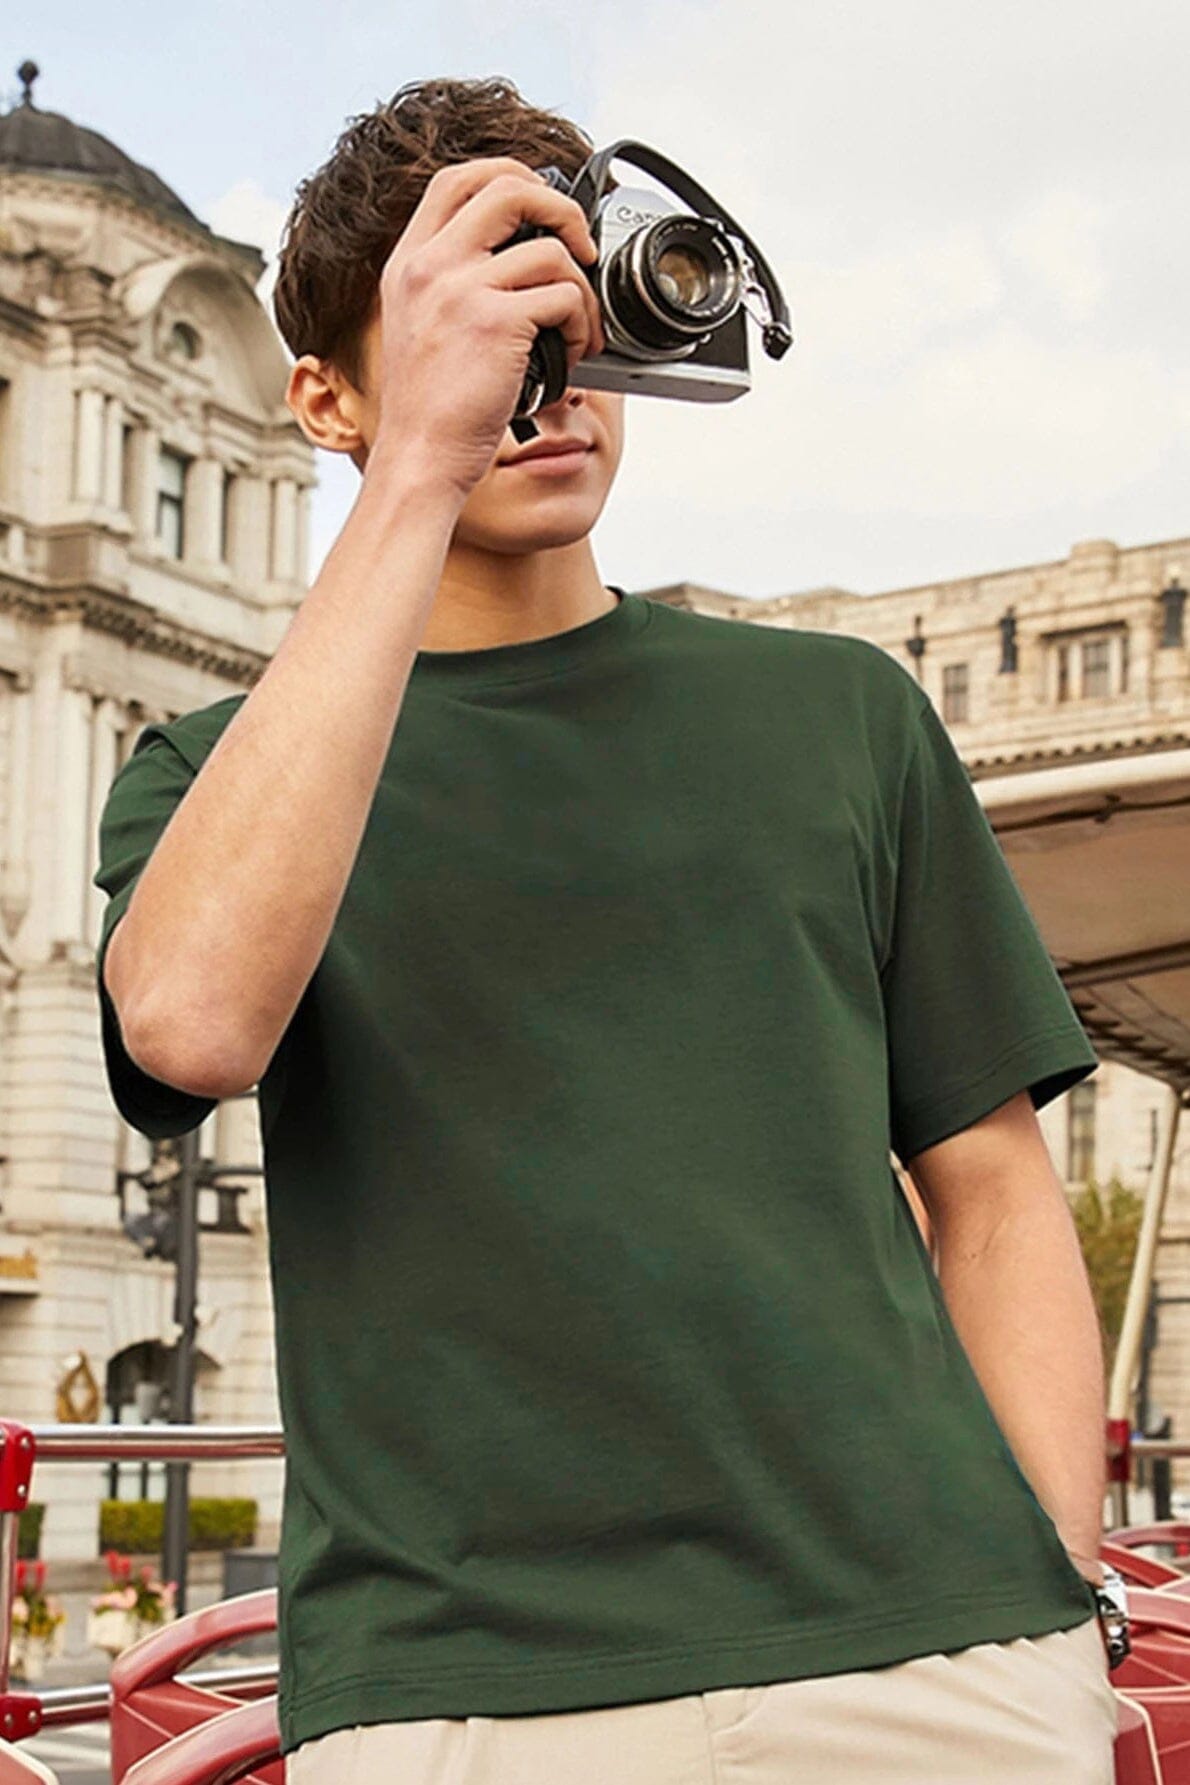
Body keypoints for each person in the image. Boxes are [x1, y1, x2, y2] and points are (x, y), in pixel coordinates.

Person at [94, 75, 1119, 1784]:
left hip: (941, 1667)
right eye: (476, 331)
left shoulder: (842, 715)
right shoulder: (208, 778)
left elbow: (995, 1191)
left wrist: (1050, 1606)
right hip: (455, 1695)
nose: (543, 383)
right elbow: (191, 1027)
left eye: (562, 318)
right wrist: (422, 461)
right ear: (326, 396)